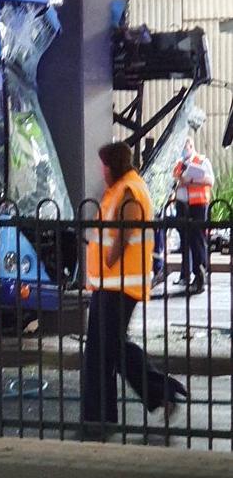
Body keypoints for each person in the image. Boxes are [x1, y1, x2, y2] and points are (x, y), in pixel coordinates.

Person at [83, 142, 187, 433]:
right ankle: (152, 396)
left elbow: (124, 233)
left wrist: (109, 257)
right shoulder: (124, 187)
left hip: (118, 285)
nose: (102, 170)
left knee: (105, 350)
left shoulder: (129, 190)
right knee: (108, 349)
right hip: (109, 284)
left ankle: (102, 416)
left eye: (104, 164)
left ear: (113, 165)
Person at [172, 136, 214, 294]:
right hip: (182, 205)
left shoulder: (202, 161)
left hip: (198, 204)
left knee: (197, 239)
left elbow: (210, 180)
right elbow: (174, 181)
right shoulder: (179, 164)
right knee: (185, 240)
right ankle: (187, 274)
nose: (183, 150)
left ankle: (200, 273)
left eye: (185, 146)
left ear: (191, 146)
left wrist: (190, 181)